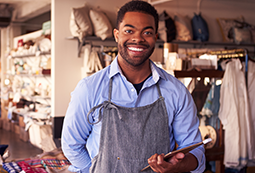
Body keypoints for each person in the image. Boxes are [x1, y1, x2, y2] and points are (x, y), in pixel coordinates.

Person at [61, 0, 205, 172]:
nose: (138, 38)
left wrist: (179, 165)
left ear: (155, 38)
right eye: (129, 31)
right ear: (116, 35)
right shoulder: (89, 88)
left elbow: (196, 151)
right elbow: (72, 145)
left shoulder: (176, 91)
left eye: (147, 32)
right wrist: (93, 169)